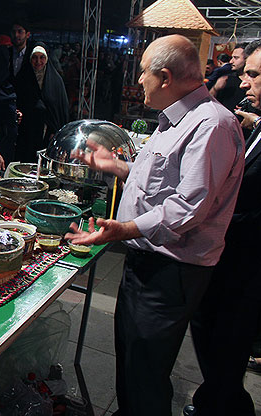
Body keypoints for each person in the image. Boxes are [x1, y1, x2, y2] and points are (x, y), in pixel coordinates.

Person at [66, 34, 245, 416]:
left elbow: (188, 206)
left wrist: (125, 229)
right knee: (132, 360)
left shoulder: (212, 125)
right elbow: (164, 179)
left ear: (165, 76)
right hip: (147, 262)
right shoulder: (174, 119)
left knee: (146, 369)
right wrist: (119, 167)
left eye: (144, 72)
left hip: (172, 271)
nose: (139, 79)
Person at [185, 39, 261, 416]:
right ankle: (215, 401)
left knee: (227, 346)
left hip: (246, 267)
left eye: (253, 74)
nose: (243, 82)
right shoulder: (252, 122)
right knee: (215, 344)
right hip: (229, 258)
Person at [15, 45, 69, 162]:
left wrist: (55, 131)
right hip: (27, 131)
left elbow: (60, 108)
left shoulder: (56, 81)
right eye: (34, 57)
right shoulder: (23, 78)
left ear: (46, 59)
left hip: (48, 132)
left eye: (41, 57)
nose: (38, 61)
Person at [209, 43, 246, 112]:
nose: (231, 61)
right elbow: (209, 103)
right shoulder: (226, 79)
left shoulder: (255, 82)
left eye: (236, 58)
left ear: (247, 59)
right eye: (232, 57)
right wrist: (215, 89)